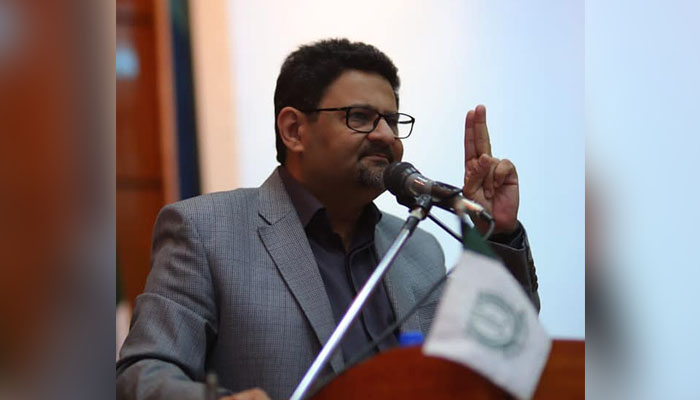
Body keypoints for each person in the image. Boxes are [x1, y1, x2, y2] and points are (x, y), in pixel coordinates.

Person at [116, 38, 539, 400]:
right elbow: (142, 374)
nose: (386, 137)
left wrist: (496, 230)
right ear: (294, 130)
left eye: (392, 121)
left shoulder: (416, 248)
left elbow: (492, 359)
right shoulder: (206, 230)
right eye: (360, 117)